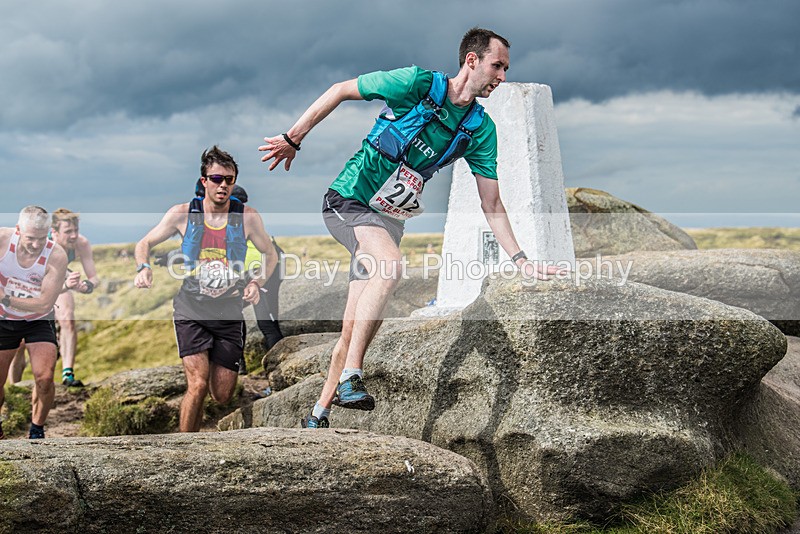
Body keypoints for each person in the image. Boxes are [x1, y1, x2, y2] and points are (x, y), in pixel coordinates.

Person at [259, 28, 563, 429]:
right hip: (348, 200)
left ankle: (319, 412)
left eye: (506, 68)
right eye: (498, 65)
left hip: (388, 221)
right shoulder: (416, 84)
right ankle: (353, 376)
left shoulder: (479, 128)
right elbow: (339, 89)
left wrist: (522, 261)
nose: (502, 76)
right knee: (390, 267)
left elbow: (492, 204)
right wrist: (292, 138)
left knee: (355, 326)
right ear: (471, 61)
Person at [134, 146, 278, 432]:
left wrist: (255, 282)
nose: (223, 185)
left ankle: (212, 359)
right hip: (192, 309)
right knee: (197, 384)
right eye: (216, 179)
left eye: (229, 179)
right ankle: (184, 448)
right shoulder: (182, 213)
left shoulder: (247, 217)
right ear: (204, 181)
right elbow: (144, 244)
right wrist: (144, 267)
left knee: (221, 395)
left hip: (229, 311)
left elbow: (270, 255)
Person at [152, 182, 285, 372]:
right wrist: (171, 257)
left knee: (267, 325)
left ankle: (277, 373)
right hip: (252, 274)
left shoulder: (233, 221)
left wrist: (172, 257)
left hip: (260, 275)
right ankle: (240, 366)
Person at [0, 206, 69, 439]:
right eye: (30, 238)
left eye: (42, 238)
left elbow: (43, 303)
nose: (36, 244)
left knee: (45, 377)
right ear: (18, 230)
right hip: (3, 319)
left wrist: (6, 298)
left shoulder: (56, 255)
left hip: (38, 320)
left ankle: (37, 429)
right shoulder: (2, 240)